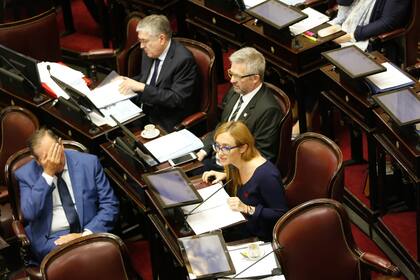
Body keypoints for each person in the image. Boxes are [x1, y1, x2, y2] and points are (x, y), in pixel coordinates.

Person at [15, 128, 119, 264]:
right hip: (51, 239)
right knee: (72, 261)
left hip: (87, 230)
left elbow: (110, 205)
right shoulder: (25, 174)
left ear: (61, 144)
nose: (53, 160)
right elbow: (29, 213)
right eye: (46, 158)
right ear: (37, 161)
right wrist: (47, 174)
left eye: (54, 152)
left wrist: (84, 235)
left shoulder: (88, 163)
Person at [196, 47, 283, 171]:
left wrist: (227, 175)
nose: (231, 80)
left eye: (238, 76)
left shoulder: (269, 110)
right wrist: (204, 150)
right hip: (214, 155)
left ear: (255, 78)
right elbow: (222, 126)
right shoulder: (235, 91)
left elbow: (262, 156)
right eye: (231, 74)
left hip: (234, 171)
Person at [202, 121, 288, 241]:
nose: (219, 153)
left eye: (226, 147)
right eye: (217, 146)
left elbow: (281, 214)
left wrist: (247, 208)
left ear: (243, 147)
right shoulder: (234, 161)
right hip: (238, 222)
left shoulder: (267, 175)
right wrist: (226, 175)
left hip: (256, 235)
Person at [119, 14, 199, 132]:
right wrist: (126, 82)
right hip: (143, 110)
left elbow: (176, 99)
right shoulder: (150, 51)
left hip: (165, 119)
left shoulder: (183, 60)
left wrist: (142, 87)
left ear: (161, 39)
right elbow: (146, 77)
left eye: (144, 41)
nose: (141, 46)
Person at [332, 0, 410, 52]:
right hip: (343, 24)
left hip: (369, 39)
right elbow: (344, 2)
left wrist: (353, 36)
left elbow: (388, 22)